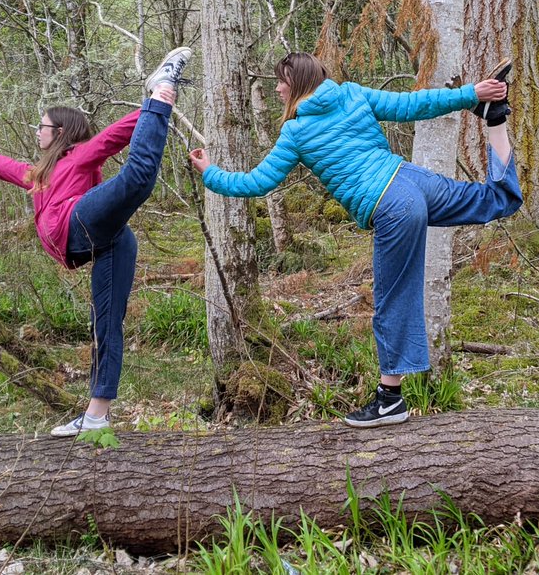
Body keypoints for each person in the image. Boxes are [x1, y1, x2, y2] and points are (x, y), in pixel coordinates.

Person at [188, 52, 522, 428]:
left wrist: (209, 172)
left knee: (393, 298)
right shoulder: (352, 94)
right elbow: (413, 105)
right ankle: (495, 117)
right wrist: (471, 95)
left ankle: (389, 401)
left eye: (281, 81)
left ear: (296, 84)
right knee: (496, 199)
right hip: (410, 180)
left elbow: (255, 183)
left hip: (392, 205)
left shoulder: (295, 132)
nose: (278, 89)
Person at [0, 47, 192, 437]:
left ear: (61, 133)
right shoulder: (36, 174)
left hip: (83, 222)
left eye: (43, 126)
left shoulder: (79, 156)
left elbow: (117, 135)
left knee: (137, 179)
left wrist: (155, 104)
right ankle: (96, 418)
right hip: (91, 241)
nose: (38, 131)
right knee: (105, 324)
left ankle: (163, 89)